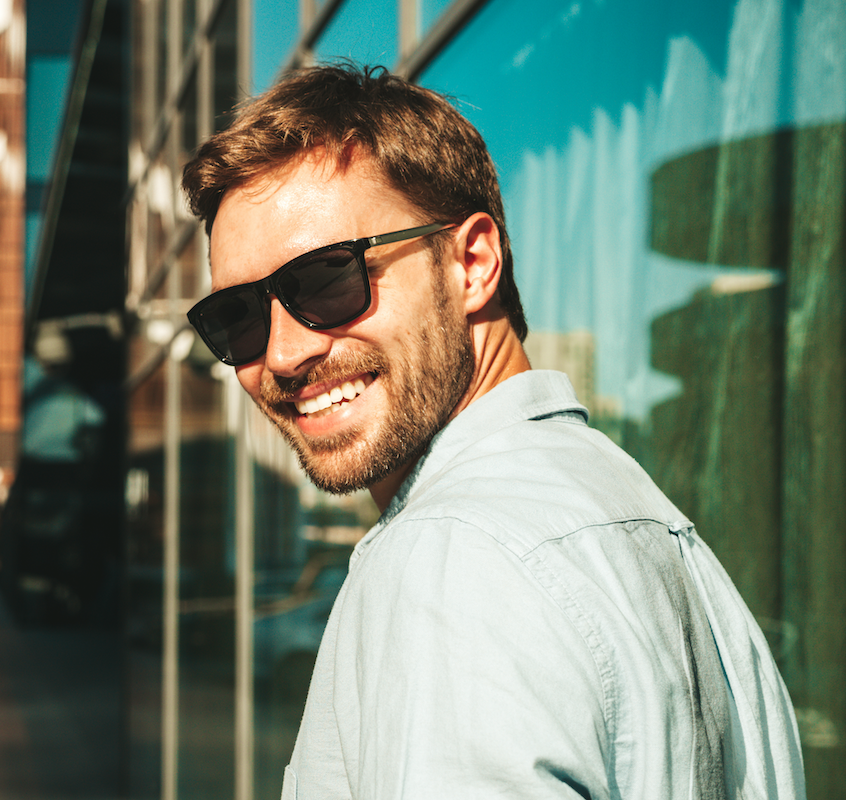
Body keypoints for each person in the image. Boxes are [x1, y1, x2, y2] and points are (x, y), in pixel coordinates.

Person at [181, 64, 805, 799]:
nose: (282, 355)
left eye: (326, 281)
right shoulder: (645, 525)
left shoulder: (452, 556)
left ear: (471, 263)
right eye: (238, 319)